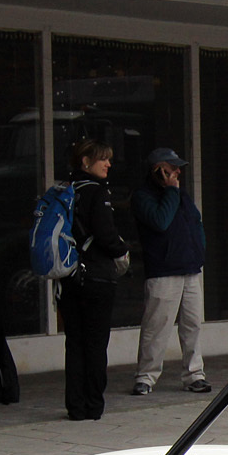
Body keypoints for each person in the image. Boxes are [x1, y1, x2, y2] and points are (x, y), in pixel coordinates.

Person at [130, 146, 209, 396]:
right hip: (163, 270)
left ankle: (194, 374)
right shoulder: (144, 196)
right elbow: (160, 221)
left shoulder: (180, 195)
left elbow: (195, 222)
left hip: (190, 268)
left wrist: (199, 251)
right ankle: (146, 376)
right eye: (171, 168)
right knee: (157, 326)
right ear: (159, 171)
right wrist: (170, 191)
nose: (177, 172)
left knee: (193, 324)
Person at [59, 139, 128, 421]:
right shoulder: (97, 193)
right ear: (85, 161)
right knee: (96, 343)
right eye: (103, 159)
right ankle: (93, 405)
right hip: (97, 277)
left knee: (74, 342)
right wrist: (123, 251)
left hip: (70, 276)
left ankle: (75, 406)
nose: (108, 164)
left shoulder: (66, 190)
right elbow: (105, 234)